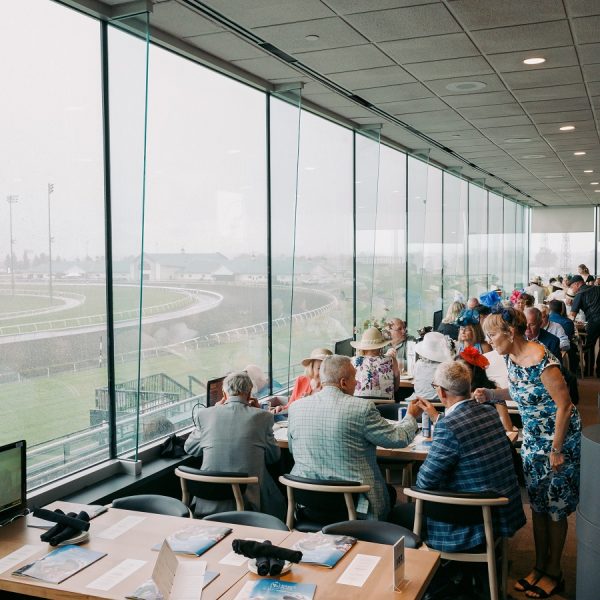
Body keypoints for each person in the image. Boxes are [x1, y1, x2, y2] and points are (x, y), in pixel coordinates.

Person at [477, 308, 581, 598]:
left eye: (492, 334)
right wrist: (492, 395)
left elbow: (565, 406)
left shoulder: (543, 360)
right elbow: (521, 391)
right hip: (533, 441)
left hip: (560, 440)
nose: (489, 340)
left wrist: (556, 449)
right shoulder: (510, 357)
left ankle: (555, 571)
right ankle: (539, 566)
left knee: (555, 508)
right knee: (537, 505)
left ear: (510, 332)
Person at [288, 355, 422, 520]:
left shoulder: (296, 408)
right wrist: (411, 417)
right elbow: (398, 439)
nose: (357, 382)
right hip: (355, 505)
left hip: (307, 501)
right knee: (390, 493)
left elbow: (293, 450)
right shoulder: (362, 408)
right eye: (355, 378)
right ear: (343, 383)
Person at [412, 362, 525, 553]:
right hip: (501, 511)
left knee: (402, 512)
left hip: (471, 520)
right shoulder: (489, 411)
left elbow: (425, 481)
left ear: (442, 392)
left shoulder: (448, 426)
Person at [184, 371, 286, 520]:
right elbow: (273, 457)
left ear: (224, 393)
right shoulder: (263, 417)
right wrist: (258, 411)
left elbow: (189, 448)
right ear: (249, 393)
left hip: (208, 502)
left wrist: (213, 411)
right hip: (250, 502)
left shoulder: (205, 415)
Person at [271, 348, 332, 414]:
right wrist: (281, 409)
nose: (323, 373)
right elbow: (290, 406)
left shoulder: (332, 387)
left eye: (327, 369)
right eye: (319, 368)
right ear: (311, 367)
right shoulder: (301, 380)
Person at [351, 327, 399, 400]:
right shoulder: (391, 360)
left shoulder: (353, 361)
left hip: (360, 403)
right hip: (386, 405)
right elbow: (396, 388)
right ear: (381, 346)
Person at [406, 331, 454, 402]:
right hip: (440, 404)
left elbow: (415, 382)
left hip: (418, 403)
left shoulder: (418, 364)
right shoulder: (447, 367)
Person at [569, 274, 600, 377]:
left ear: (577, 284)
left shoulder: (580, 294)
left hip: (594, 321)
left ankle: (588, 371)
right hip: (595, 319)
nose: (572, 289)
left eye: (572, 286)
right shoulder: (597, 288)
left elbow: (572, 315)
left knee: (590, 346)